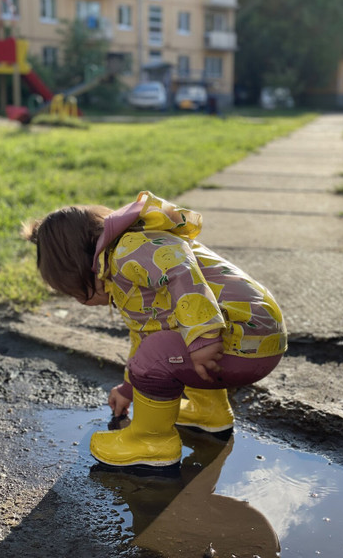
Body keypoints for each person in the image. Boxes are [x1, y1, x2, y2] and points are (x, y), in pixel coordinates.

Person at [23, 191, 287, 467]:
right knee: (169, 344)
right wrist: (128, 389)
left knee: (169, 348)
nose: (82, 302)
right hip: (251, 338)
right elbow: (148, 336)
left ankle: (152, 443)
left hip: (243, 341)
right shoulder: (127, 263)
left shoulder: (130, 251)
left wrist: (204, 333)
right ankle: (209, 412)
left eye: (77, 293)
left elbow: (180, 270)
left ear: (82, 265)